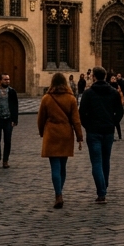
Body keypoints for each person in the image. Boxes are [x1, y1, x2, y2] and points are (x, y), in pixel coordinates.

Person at [38, 72, 84, 209]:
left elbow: (41, 118)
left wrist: (42, 132)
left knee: (55, 167)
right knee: (62, 166)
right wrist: (79, 137)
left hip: (51, 134)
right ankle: (60, 192)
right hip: (65, 133)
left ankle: (58, 194)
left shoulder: (46, 98)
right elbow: (76, 120)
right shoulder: (71, 99)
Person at [78, 67, 123, 203]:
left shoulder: (88, 93)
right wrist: (113, 123)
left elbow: (82, 114)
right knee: (105, 160)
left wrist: (88, 126)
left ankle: (101, 192)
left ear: (94, 77)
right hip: (108, 131)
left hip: (94, 132)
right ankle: (104, 186)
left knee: (97, 162)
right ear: (105, 77)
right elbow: (120, 112)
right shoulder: (113, 92)